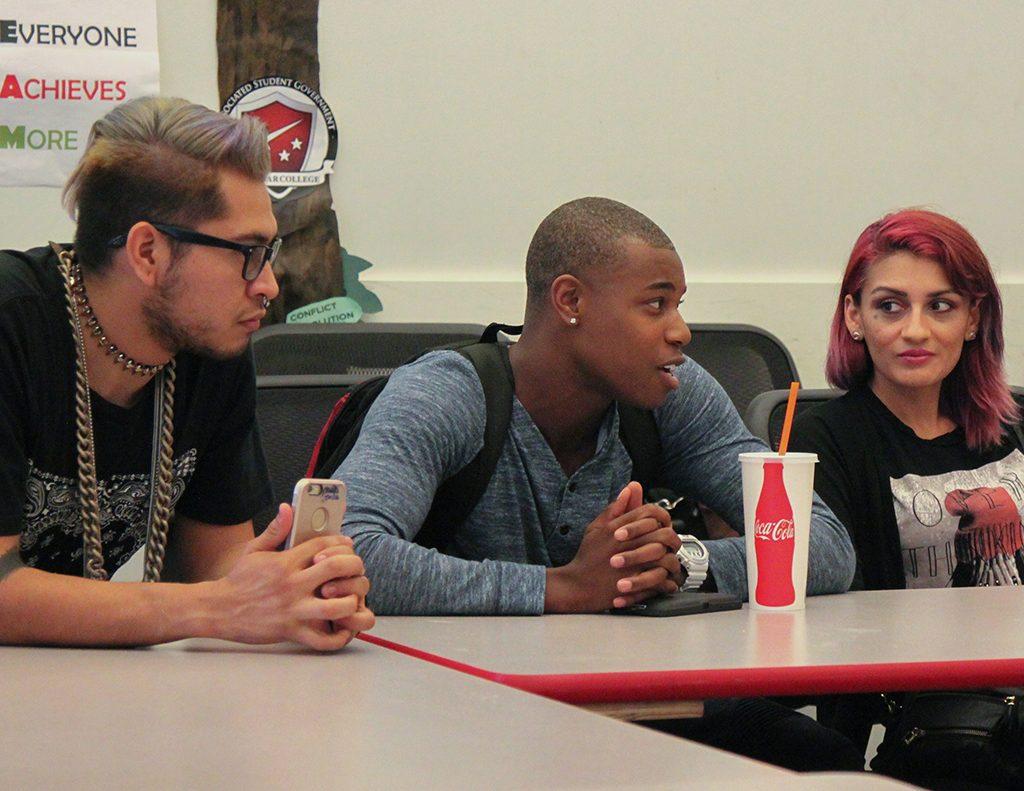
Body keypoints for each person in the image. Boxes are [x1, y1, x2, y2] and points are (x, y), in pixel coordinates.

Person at [337, 197, 861, 771]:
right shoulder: (446, 395)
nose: (681, 331)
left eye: (679, 306)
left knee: (819, 760)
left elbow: (825, 544)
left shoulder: (674, 392)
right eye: (655, 305)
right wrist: (563, 588)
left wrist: (674, 562)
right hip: (454, 715)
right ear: (571, 301)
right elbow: (344, 556)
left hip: (632, 707)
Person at [0, 97, 374, 650]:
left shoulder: (210, 347)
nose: (268, 284)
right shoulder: (13, 323)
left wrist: (295, 588)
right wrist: (217, 608)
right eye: (247, 251)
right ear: (148, 252)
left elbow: (214, 561)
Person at [790, 208, 1023, 785]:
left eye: (940, 306)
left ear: (973, 319)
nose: (914, 330)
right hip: (931, 720)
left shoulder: (1015, 424)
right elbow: (841, 616)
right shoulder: (824, 439)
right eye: (889, 306)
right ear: (855, 317)